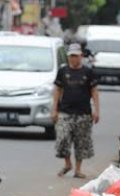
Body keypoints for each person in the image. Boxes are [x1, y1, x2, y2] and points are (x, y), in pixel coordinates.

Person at [51, 43, 100, 179]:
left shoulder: (88, 72)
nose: (73, 59)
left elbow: (94, 92)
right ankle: (68, 164)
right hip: (65, 112)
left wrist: (96, 110)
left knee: (81, 142)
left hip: (84, 113)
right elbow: (57, 90)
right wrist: (54, 109)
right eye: (71, 56)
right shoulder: (63, 72)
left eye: (75, 56)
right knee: (62, 138)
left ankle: (78, 169)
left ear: (81, 56)